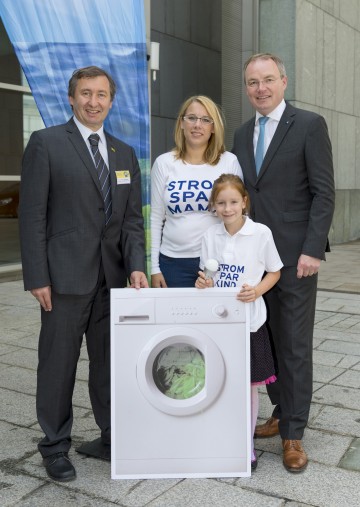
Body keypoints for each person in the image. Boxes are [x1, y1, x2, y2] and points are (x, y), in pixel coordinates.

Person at [18, 66, 148, 482]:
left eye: (102, 94)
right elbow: (32, 215)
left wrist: (137, 268)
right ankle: (55, 446)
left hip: (113, 281)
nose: (94, 101)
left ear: (112, 100)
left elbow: (130, 222)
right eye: (86, 93)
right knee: (58, 364)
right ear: (71, 98)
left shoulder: (124, 153)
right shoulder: (47, 143)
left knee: (110, 364)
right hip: (63, 279)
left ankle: (112, 437)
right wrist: (37, 275)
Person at [232, 53, 335, 472]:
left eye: (268, 80)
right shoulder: (240, 134)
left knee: (293, 345)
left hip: (294, 259)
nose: (261, 88)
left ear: (284, 81)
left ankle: (293, 432)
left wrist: (312, 249)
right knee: (265, 340)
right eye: (253, 82)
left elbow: (324, 192)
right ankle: (278, 410)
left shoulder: (309, 125)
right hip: (253, 262)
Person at [195, 173, 283, 470]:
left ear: (244, 202)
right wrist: (204, 284)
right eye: (221, 203)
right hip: (218, 322)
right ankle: (219, 439)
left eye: (233, 201)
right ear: (214, 206)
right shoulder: (210, 236)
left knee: (247, 386)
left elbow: (274, 272)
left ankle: (246, 445)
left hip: (248, 323)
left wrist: (257, 290)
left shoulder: (261, 233)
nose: (227, 208)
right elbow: (207, 275)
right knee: (218, 382)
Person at [151, 95, 243, 288]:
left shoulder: (229, 162)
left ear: (213, 127)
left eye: (205, 120)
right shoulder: (164, 163)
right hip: (173, 263)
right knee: (175, 317)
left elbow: (240, 214)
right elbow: (156, 217)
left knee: (215, 317)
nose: (197, 125)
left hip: (218, 259)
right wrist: (154, 268)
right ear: (182, 123)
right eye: (191, 118)